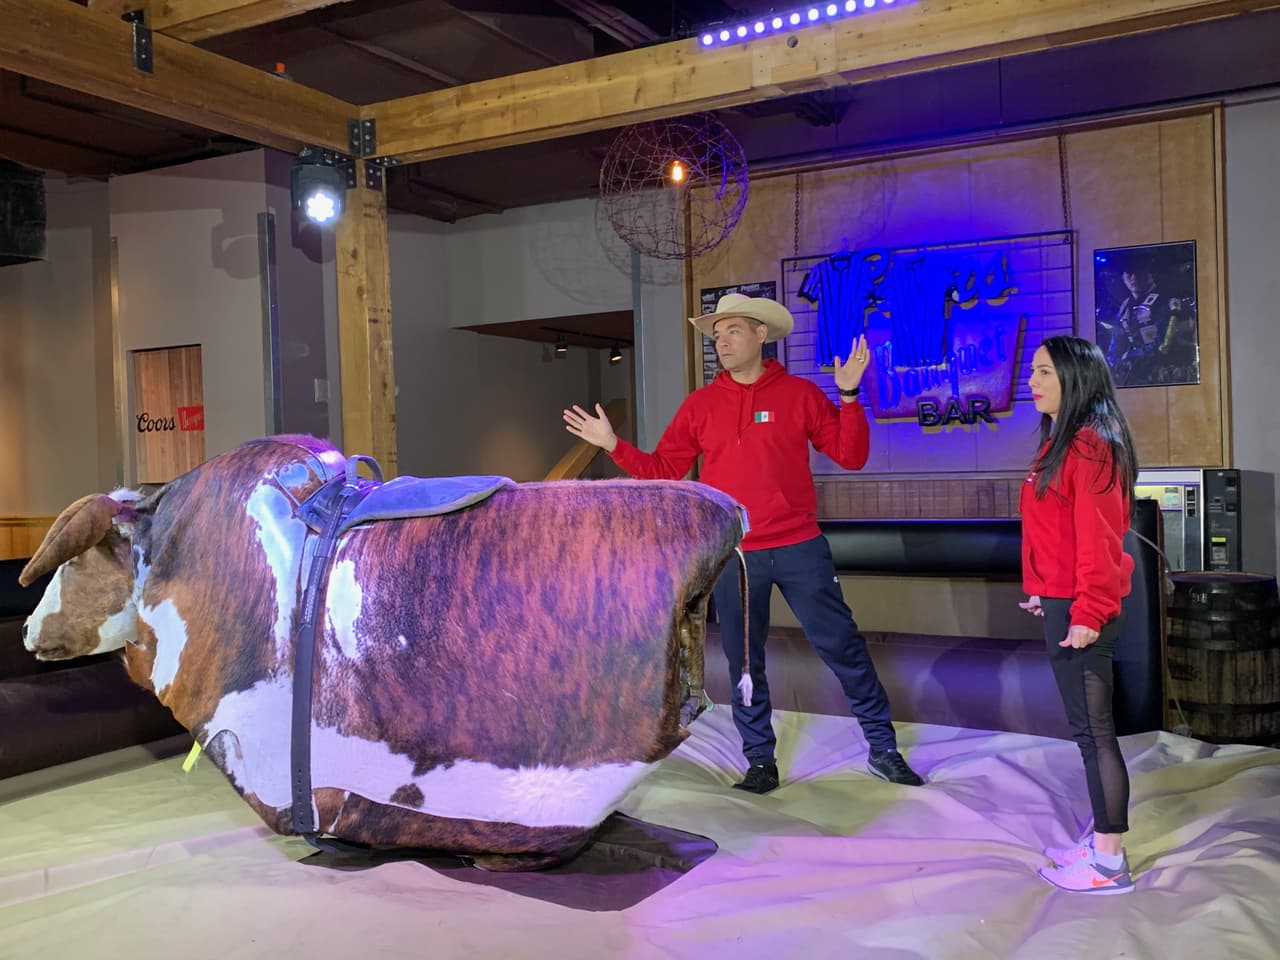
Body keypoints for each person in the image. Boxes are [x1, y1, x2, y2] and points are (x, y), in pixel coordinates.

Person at [563, 293, 923, 793]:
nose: (722, 341)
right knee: (745, 663)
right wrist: (613, 446)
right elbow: (666, 470)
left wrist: (848, 397)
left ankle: (883, 751)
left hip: (800, 548)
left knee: (842, 647)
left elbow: (851, 455)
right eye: (716, 334)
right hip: (735, 555)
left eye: (732, 330)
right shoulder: (701, 405)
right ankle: (761, 763)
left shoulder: (799, 395)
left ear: (760, 334)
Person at [1020, 335, 1139, 895]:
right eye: (1033, 372)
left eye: (1044, 371)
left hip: (1085, 609)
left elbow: (1099, 540)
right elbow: (1057, 532)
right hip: (1066, 601)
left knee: (1095, 735)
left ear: (1075, 377)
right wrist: (1046, 590)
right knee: (1086, 733)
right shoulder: (1066, 444)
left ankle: (1110, 863)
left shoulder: (1091, 446)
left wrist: (1088, 610)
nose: (1032, 382)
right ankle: (1100, 841)